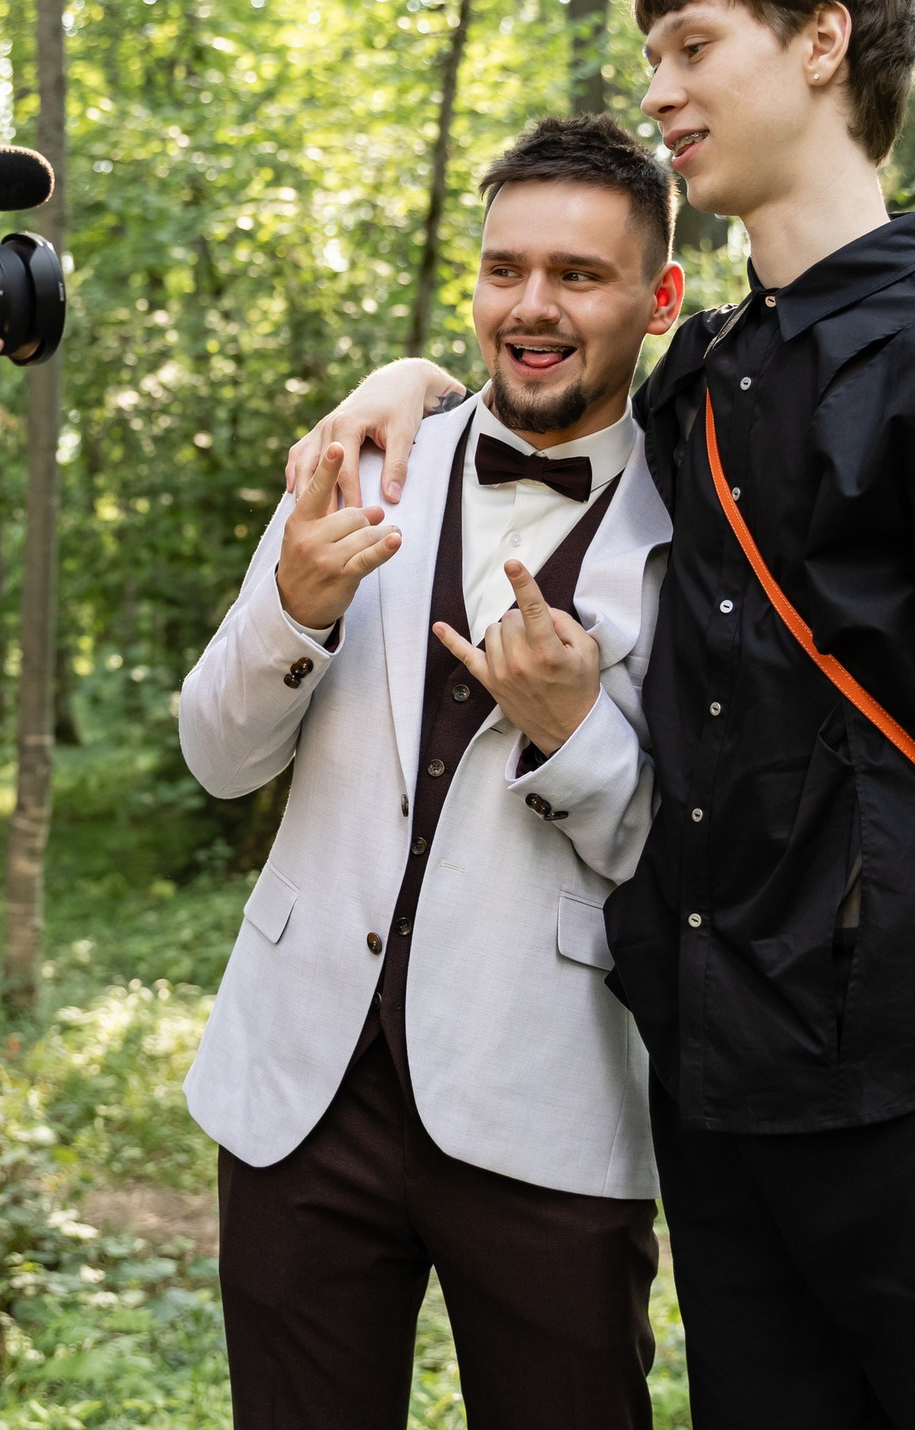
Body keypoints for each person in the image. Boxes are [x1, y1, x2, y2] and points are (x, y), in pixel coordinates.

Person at [285, 0, 915, 1427]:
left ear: (825, 43)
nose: (659, 91)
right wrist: (408, 376)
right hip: (717, 1089)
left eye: (692, 47)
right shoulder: (710, 377)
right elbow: (538, 389)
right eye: (651, 56)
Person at [182, 116, 682, 1428]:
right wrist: (290, 608)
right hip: (300, 1094)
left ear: (659, 296)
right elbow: (217, 755)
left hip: (551, 1100)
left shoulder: (705, 527)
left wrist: (579, 733)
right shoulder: (362, 465)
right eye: (504, 268)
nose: (533, 306)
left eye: (578, 274)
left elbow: (697, 860)